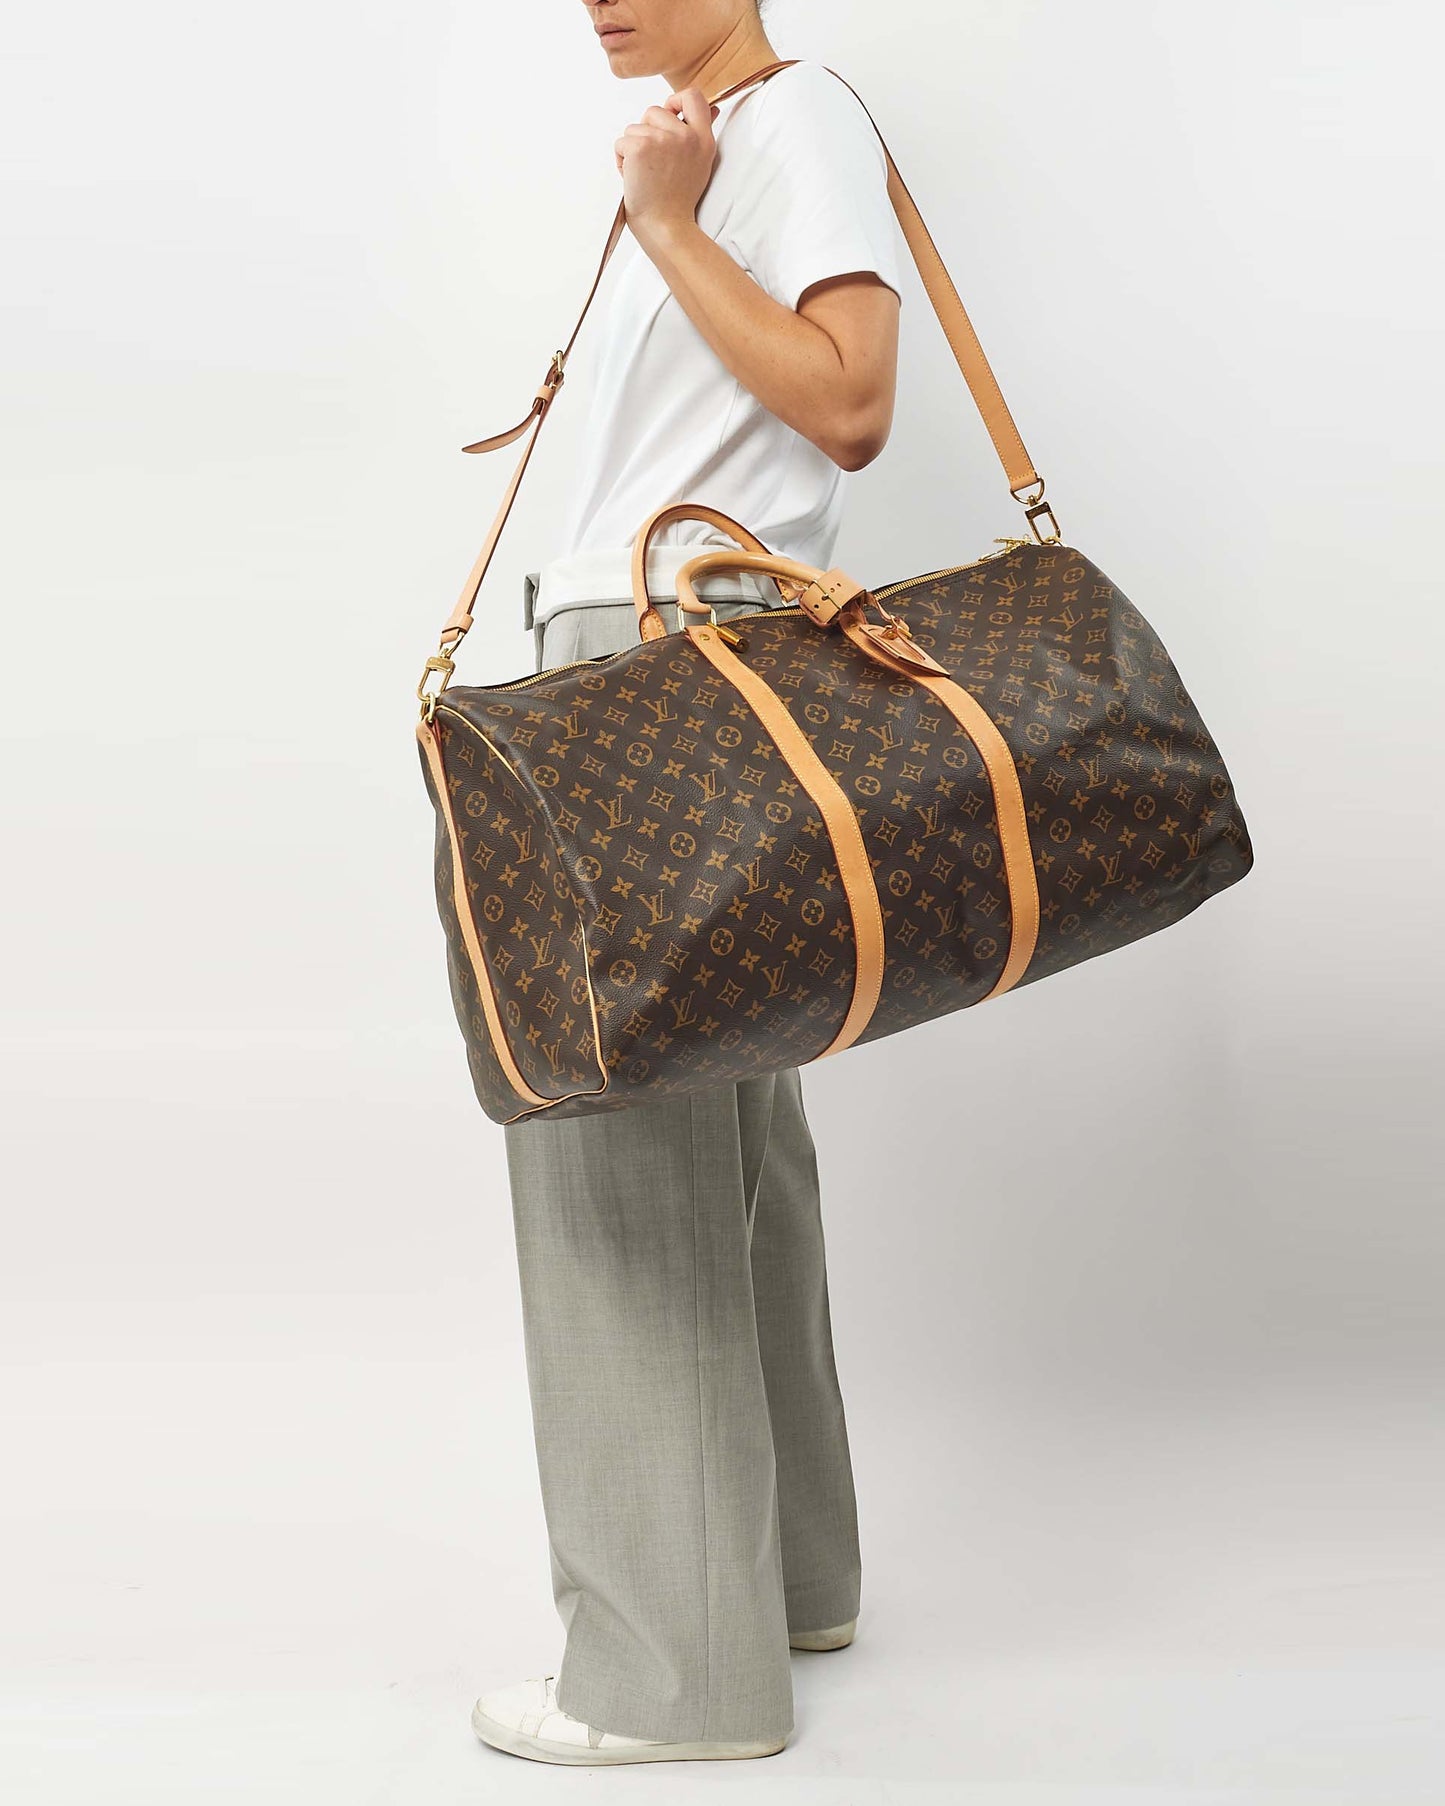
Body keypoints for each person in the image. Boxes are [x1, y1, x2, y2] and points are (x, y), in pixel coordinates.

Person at [471, 0, 903, 1767]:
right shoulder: (729, 137)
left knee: (609, 1144)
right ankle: (788, 1578)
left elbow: (850, 403)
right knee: (728, 1140)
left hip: (656, 657)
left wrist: (662, 221)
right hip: (696, 655)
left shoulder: (788, 120)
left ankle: (669, 1675)